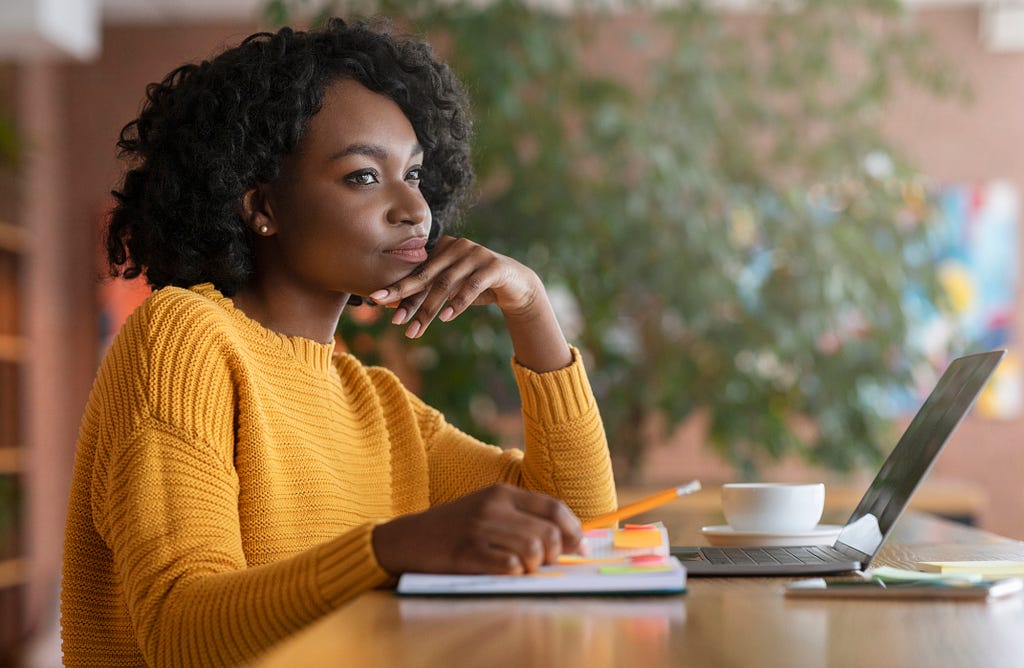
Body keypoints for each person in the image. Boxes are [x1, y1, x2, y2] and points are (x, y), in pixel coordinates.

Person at [60, 17, 617, 667]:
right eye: (362, 176)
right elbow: (181, 632)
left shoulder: (373, 400)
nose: (414, 208)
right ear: (261, 205)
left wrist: (531, 308)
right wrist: (388, 549)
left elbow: (580, 525)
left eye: (413, 174)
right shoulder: (184, 336)